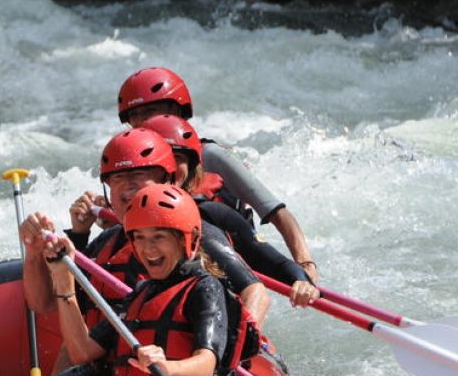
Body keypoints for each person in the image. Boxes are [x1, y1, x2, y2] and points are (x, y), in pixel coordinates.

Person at [0, 128, 267, 376]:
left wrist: (230, 346)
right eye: (119, 180)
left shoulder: (205, 280)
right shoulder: (136, 289)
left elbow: (211, 357)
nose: (147, 248)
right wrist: (57, 271)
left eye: (139, 176)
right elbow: (77, 343)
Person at [26, 184, 243, 376]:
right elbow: (82, 351)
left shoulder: (206, 288)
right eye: (139, 238)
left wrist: (167, 366)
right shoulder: (141, 294)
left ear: (186, 239)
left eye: (158, 238)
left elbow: (206, 365)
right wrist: (63, 283)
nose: (147, 248)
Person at [117, 66, 320, 283]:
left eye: (150, 111)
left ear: (177, 110)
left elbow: (277, 212)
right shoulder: (133, 164)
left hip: (228, 258)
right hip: (170, 263)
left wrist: (304, 264)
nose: (141, 123)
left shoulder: (210, 156)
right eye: (134, 116)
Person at [141, 114, 320, 309]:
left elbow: (273, 263)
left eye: (176, 159)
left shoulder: (210, 215)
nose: (169, 167)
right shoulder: (113, 230)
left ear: (192, 168)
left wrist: (302, 278)